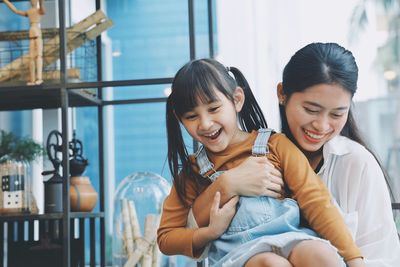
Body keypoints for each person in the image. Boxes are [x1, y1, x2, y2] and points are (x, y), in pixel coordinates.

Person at [190, 43, 400, 266]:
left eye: (337, 114)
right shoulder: (258, 156)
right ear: (282, 94)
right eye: (311, 110)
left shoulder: (356, 163)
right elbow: (194, 244)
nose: (321, 125)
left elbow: (383, 256)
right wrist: (227, 184)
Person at [157, 58, 365, 267]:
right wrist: (208, 233)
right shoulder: (192, 174)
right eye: (192, 116)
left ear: (237, 99)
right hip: (238, 257)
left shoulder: (275, 145)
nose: (205, 123)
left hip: (291, 238)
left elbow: (316, 200)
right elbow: (166, 238)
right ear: (180, 119)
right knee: (271, 264)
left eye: (213, 109)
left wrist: (354, 259)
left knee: (319, 253)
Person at [3, 0, 45, 85]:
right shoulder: (29, 12)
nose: (33, 1)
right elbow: (16, 11)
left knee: (39, 56)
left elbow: (41, 5)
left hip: (37, 34)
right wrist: (6, 1)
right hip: (32, 34)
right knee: (31, 58)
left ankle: (39, 78)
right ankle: (32, 79)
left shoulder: (39, 10)